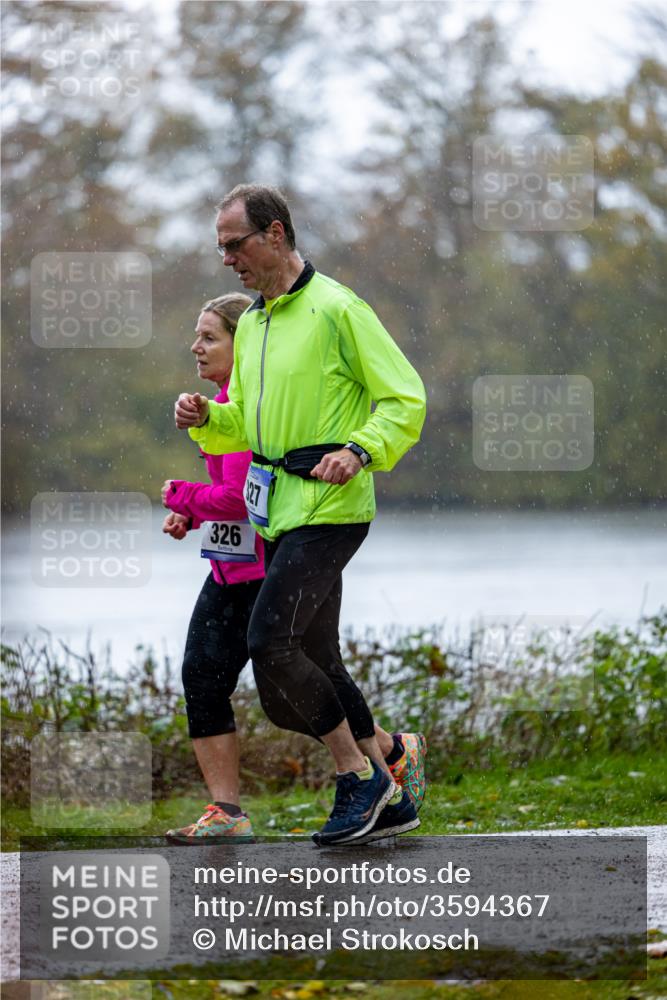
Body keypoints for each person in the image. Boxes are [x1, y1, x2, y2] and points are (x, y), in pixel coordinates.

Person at [175, 184, 427, 846]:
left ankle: (358, 779)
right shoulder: (254, 322)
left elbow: (404, 399)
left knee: (269, 643)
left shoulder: (338, 309)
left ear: (276, 235)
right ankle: (390, 786)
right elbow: (247, 428)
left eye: (237, 245)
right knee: (313, 657)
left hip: (333, 506)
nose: (228, 259)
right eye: (221, 248)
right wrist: (209, 418)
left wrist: (358, 449)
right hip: (277, 515)